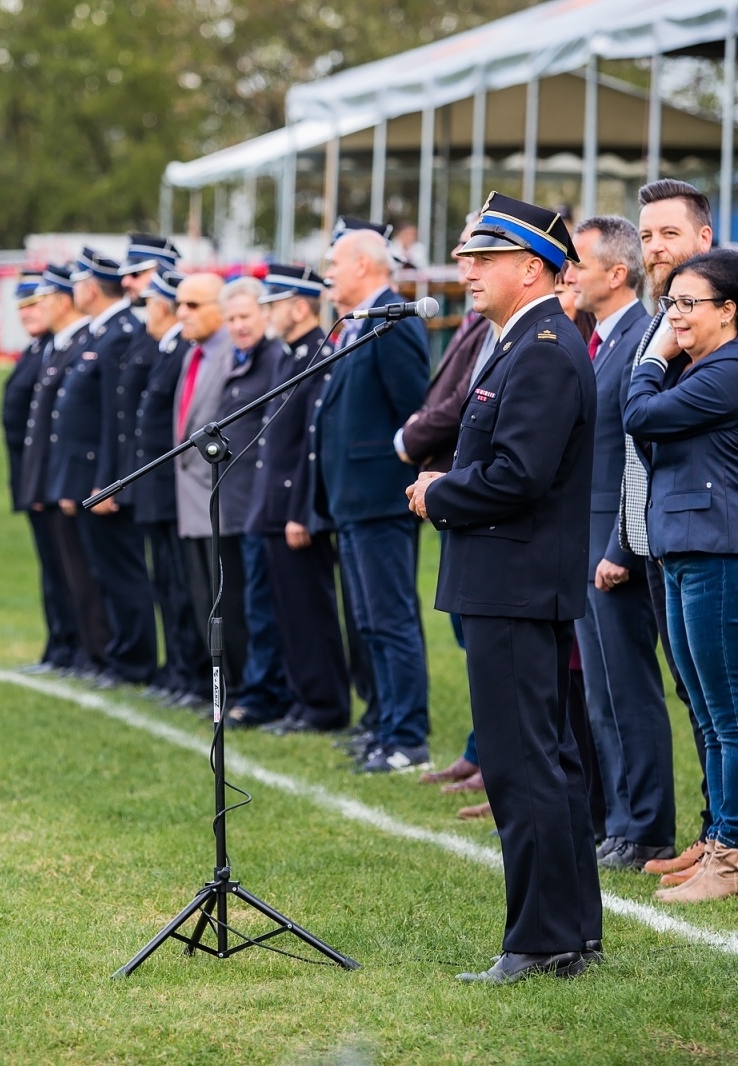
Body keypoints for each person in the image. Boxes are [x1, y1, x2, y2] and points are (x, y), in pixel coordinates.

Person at [409, 192, 601, 983]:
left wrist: (438, 492)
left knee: (525, 766)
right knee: (545, 760)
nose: (467, 270)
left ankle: (540, 938)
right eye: (466, 257)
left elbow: (519, 475)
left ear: (532, 268)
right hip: (511, 581)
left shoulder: (543, 348)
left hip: (515, 584)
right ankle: (571, 930)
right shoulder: (523, 340)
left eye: (483, 258)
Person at [624, 249, 738, 904]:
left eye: (689, 303)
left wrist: (653, 358)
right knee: (713, 713)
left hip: (722, 554)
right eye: (671, 303)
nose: (675, 315)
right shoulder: (707, 367)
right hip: (691, 550)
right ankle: (721, 841)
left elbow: (640, 415)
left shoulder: (736, 369)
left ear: (729, 311)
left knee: (733, 715)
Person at [565, 216, 675, 871]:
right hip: (586, 544)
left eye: (578, 263)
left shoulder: (641, 337)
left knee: (630, 690)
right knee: (601, 695)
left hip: (616, 547)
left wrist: (621, 548)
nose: (568, 275)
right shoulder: (602, 339)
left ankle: (649, 827)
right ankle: (620, 824)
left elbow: (640, 455)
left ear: (616, 273)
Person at [319, 227, 432, 774]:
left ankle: (407, 737)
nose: (327, 272)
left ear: (363, 265)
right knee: (368, 622)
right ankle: (384, 725)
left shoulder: (395, 320)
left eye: (334, 263)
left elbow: (415, 411)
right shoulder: (359, 322)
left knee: (390, 619)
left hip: (382, 497)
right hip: (353, 499)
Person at [405, 215, 492, 797]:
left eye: (473, 246)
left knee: (488, 642)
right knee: (469, 638)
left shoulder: (517, 325)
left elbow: (465, 399)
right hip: (456, 489)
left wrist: (408, 437)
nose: (462, 256)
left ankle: (492, 758)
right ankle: (480, 750)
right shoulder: (478, 316)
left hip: (473, 491)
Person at [248, 264, 353, 736]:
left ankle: (325, 705)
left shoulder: (318, 355)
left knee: (310, 611)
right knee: (286, 611)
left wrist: (301, 512)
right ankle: (300, 699)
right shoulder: (289, 355)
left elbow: (312, 445)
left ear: (298, 307)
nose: (267, 313)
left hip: (295, 508)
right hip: (273, 505)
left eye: (274, 304)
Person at [62, 246, 157, 687]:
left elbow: (114, 420)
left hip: (107, 476)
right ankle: (119, 655)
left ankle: (133, 660)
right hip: (92, 475)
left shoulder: (119, 333)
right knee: (104, 571)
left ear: (90, 288)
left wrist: (109, 482)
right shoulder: (101, 333)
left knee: (122, 571)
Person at [209, 276, 293, 728]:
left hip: (262, 503)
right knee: (245, 603)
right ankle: (252, 687)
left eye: (246, 315)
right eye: (232, 318)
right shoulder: (236, 361)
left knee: (263, 606)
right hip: (238, 501)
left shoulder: (275, 359)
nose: (239, 325)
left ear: (265, 313)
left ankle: (266, 694)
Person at [21, 263, 111, 676]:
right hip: (52, 479)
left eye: (42, 300)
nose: (35, 309)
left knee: (86, 573)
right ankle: (72, 648)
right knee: (63, 573)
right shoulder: (56, 347)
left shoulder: (81, 343)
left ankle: (94, 651)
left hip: (75, 479)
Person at [131, 268, 212, 709]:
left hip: (175, 490)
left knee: (184, 587)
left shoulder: (182, 351)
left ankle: (192, 674)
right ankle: (179, 671)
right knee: (168, 584)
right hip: (159, 490)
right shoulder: (169, 351)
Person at [4, 271, 81, 674]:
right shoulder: (37, 350)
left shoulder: (57, 350)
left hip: (51, 481)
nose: (28, 314)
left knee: (66, 570)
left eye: (35, 304)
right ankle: (58, 644)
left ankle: (71, 646)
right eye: (22, 307)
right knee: (52, 570)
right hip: (33, 479)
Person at [172, 273, 244, 704]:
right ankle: (216, 687)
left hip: (218, 496)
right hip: (190, 497)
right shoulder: (192, 355)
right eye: (180, 304)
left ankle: (237, 688)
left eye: (193, 305)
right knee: (202, 598)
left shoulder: (231, 354)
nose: (182, 313)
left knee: (227, 602)